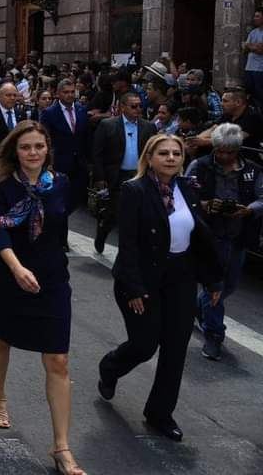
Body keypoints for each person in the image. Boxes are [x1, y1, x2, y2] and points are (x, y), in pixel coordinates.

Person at [98, 134, 222, 442]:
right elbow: (126, 245)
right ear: (149, 157)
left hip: (181, 277)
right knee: (144, 345)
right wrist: (135, 288)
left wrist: (212, 280)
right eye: (163, 153)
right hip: (142, 277)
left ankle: (159, 413)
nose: (170, 158)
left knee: (175, 350)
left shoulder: (188, 189)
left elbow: (200, 238)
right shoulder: (134, 191)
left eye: (176, 153)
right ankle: (110, 367)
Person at [0, 122, 85, 475]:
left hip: (53, 280)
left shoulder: (61, 185)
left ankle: (61, 447)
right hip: (12, 279)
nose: (33, 153)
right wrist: (17, 268)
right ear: (16, 151)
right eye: (26, 147)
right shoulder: (1, 188)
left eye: (39, 146)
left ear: (47, 149)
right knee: (3, 339)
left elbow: (60, 226)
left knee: (58, 360)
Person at [184, 123, 263, 361]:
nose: (223, 155)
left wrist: (248, 210)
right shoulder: (200, 166)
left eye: (229, 151)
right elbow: (185, 194)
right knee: (214, 286)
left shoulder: (253, 170)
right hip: (209, 235)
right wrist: (206, 205)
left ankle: (198, 308)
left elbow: (262, 198)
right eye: (219, 150)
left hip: (238, 236)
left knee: (229, 285)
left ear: (237, 150)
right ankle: (214, 335)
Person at [92, 92, 157, 254]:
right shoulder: (108, 125)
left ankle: (128, 251)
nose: (138, 109)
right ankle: (103, 232)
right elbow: (97, 154)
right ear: (122, 107)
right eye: (133, 106)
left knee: (134, 216)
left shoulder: (149, 127)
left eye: (140, 106)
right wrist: (100, 177)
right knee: (115, 212)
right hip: (117, 176)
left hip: (140, 176)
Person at [40, 79, 92, 223]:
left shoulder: (82, 110)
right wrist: (48, 163)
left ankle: (58, 224)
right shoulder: (49, 113)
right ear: (58, 94)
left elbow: (86, 137)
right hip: (59, 165)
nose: (70, 95)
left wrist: (89, 161)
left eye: (72, 92)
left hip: (79, 165)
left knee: (75, 200)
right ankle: (59, 237)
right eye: (66, 92)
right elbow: (45, 139)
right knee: (59, 202)